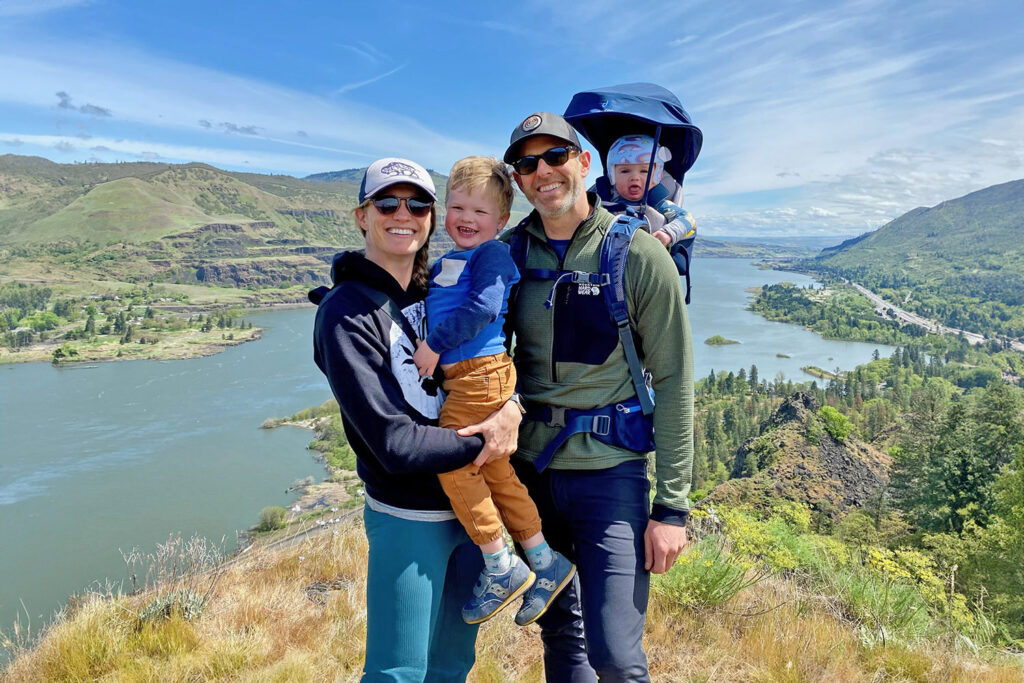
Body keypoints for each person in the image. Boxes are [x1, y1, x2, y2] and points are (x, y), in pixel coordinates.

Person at [309, 156, 523, 682]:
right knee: (398, 672)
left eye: (418, 203)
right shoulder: (345, 315)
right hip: (410, 515)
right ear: (363, 215)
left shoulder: (439, 292)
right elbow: (394, 443)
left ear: (432, 217)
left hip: (471, 513)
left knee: (452, 665)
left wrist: (514, 409)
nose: (402, 213)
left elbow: (494, 366)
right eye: (387, 201)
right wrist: (487, 442)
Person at [499, 113, 695, 682]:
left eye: (555, 156)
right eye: (527, 163)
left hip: (609, 474)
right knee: (562, 632)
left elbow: (676, 381)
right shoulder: (510, 256)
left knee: (615, 653)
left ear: (584, 164)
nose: (543, 172)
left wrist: (673, 508)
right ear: (518, 180)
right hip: (532, 473)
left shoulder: (637, 255)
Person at [412, 156, 576, 626]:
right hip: (469, 378)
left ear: (501, 221)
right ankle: (545, 562)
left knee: (454, 464)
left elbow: (484, 309)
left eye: (480, 212)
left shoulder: (492, 255)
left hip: (479, 375)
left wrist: (432, 347)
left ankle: (500, 563)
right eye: (457, 207)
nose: (466, 219)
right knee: (497, 472)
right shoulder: (448, 260)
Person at [603, 134, 697, 249]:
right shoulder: (603, 199)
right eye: (625, 171)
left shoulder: (659, 203)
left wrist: (668, 233)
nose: (635, 177)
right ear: (612, 175)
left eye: (644, 171)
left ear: (657, 176)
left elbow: (688, 219)